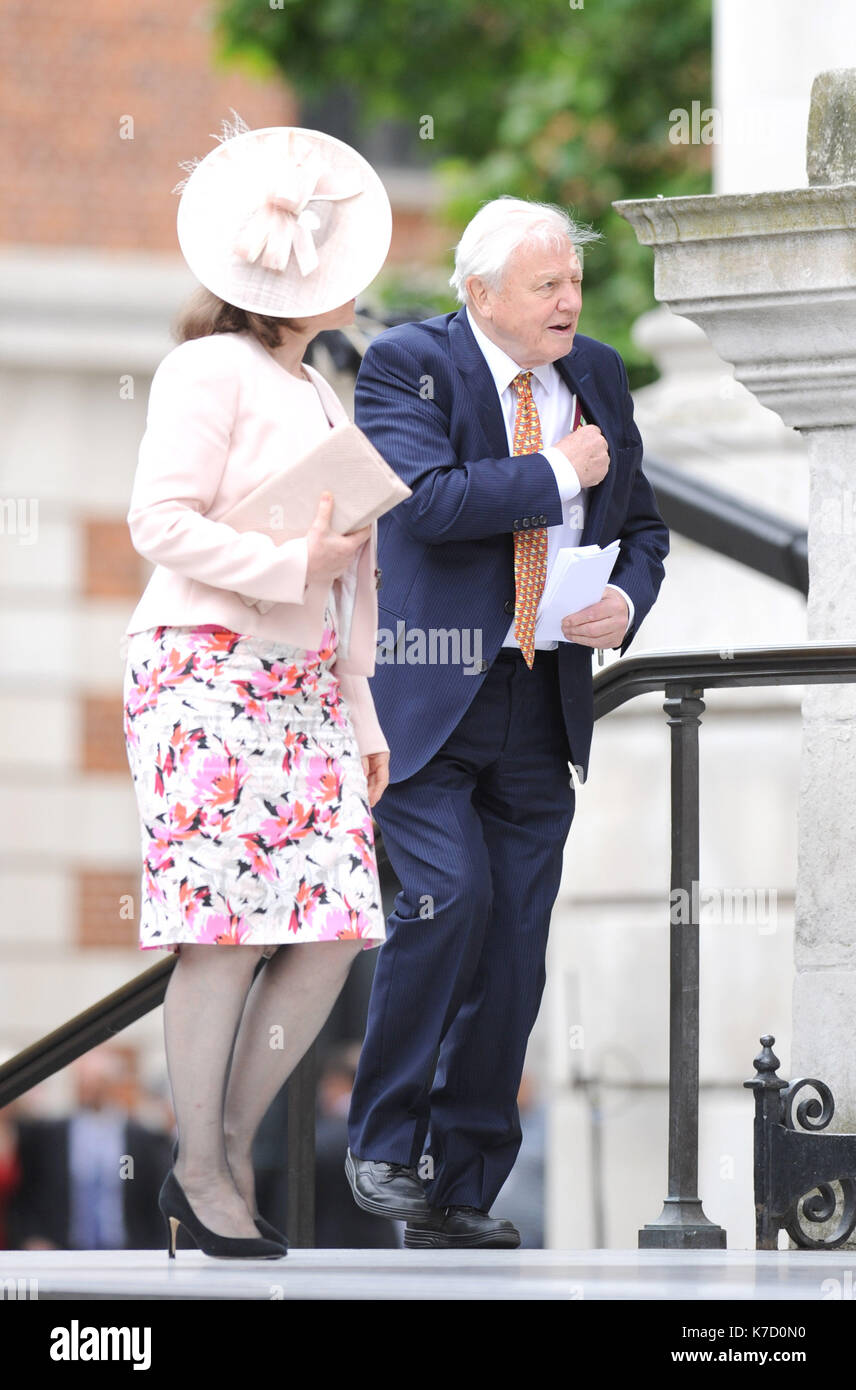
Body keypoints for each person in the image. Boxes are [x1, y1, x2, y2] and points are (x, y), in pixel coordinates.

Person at [345, 196, 669, 1248]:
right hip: (430, 697)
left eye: (573, 280)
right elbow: (427, 501)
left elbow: (647, 529)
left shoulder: (601, 376)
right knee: (448, 898)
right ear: (480, 294)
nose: (569, 298)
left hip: (542, 698)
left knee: (517, 948)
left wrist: (628, 599)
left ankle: (460, 1184)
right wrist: (553, 474)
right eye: (546, 284)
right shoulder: (407, 364)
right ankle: (382, 1144)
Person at [122, 118, 393, 1259]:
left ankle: (219, 1151)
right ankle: (203, 1167)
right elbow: (159, 523)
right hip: (202, 670)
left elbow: (354, 583)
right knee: (224, 934)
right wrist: (293, 565)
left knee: (334, 927)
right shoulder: (204, 369)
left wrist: (362, 706)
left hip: (304, 691)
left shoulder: (323, 395)